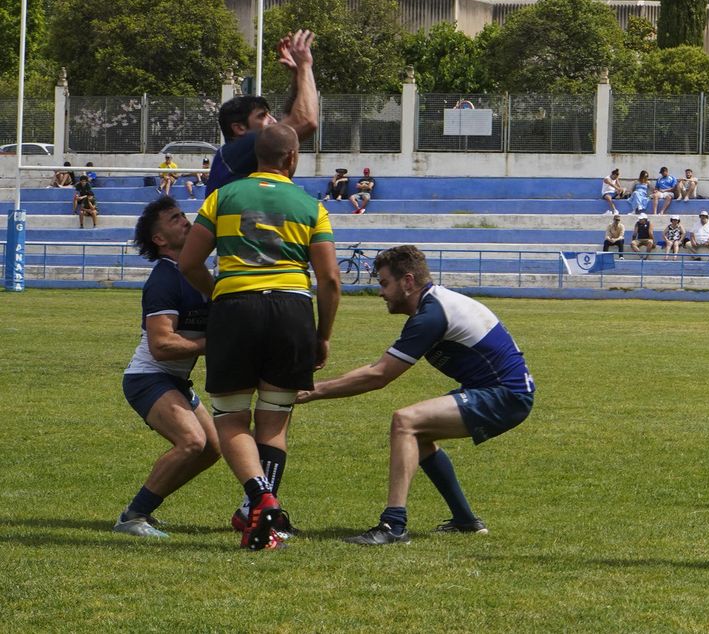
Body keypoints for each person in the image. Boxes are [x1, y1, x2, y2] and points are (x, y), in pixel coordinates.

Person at [296, 245, 534, 544]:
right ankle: (465, 520)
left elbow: (379, 376)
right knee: (418, 434)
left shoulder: (432, 314)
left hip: (505, 395)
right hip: (502, 391)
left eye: (384, 283)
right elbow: (376, 368)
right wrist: (313, 387)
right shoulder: (433, 306)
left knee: (405, 422)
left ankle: (393, 526)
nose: (381, 293)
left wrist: (311, 391)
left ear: (407, 282)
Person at [177, 123, 339, 550]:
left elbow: (189, 263)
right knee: (274, 420)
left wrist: (223, 295)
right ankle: (264, 511)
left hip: (236, 310)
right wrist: (322, 336)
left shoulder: (220, 197)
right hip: (292, 311)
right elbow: (330, 280)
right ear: (292, 158)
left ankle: (259, 498)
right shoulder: (310, 206)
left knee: (230, 418)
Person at [114, 196, 220, 538]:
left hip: (174, 380)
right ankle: (133, 516)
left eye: (183, 215)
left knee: (212, 449)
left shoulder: (194, 273)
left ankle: (148, 503)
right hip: (148, 377)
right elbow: (161, 347)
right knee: (191, 441)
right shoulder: (164, 279)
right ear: (159, 239)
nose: (186, 222)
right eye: (175, 219)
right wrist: (214, 345)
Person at [206, 30, 319, 196]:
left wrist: (297, 75)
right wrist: (305, 66)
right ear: (239, 128)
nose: (273, 120)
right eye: (262, 116)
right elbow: (305, 121)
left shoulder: (245, 155)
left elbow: (291, 119)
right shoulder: (238, 149)